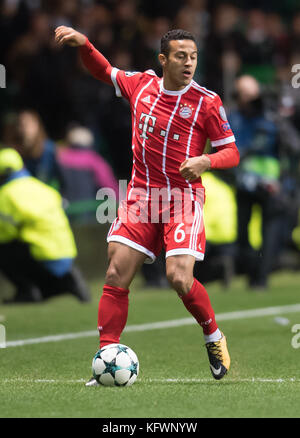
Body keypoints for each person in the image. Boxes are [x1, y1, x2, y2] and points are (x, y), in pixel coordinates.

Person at [55, 26, 239, 385]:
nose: (189, 63)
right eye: (181, 56)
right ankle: (107, 355)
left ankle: (213, 336)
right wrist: (85, 44)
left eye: (194, 56)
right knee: (114, 273)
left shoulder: (207, 102)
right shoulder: (141, 85)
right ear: (164, 59)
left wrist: (206, 162)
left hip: (183, 197)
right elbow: (103, 70)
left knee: (179, 278)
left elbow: (231, 151)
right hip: (142, 195)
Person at [0, 148, 91, 304]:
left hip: (40, 254)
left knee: (4, 249)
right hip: (67, 253)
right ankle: (66, 283)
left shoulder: (5, 195)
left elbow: (5, 234)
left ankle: (27, 291)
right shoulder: (42, 188)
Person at [228, 75, 283, 289]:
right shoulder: (233, 118)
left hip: (270, 183)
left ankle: (262, 277)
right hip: (244, 182)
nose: (252, 98)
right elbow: (231, 150)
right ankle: (251, 271)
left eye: (254, 93)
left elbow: (286, 147)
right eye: (247, 94)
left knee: (269, 230)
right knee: (243, 230)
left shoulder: (270, 117)